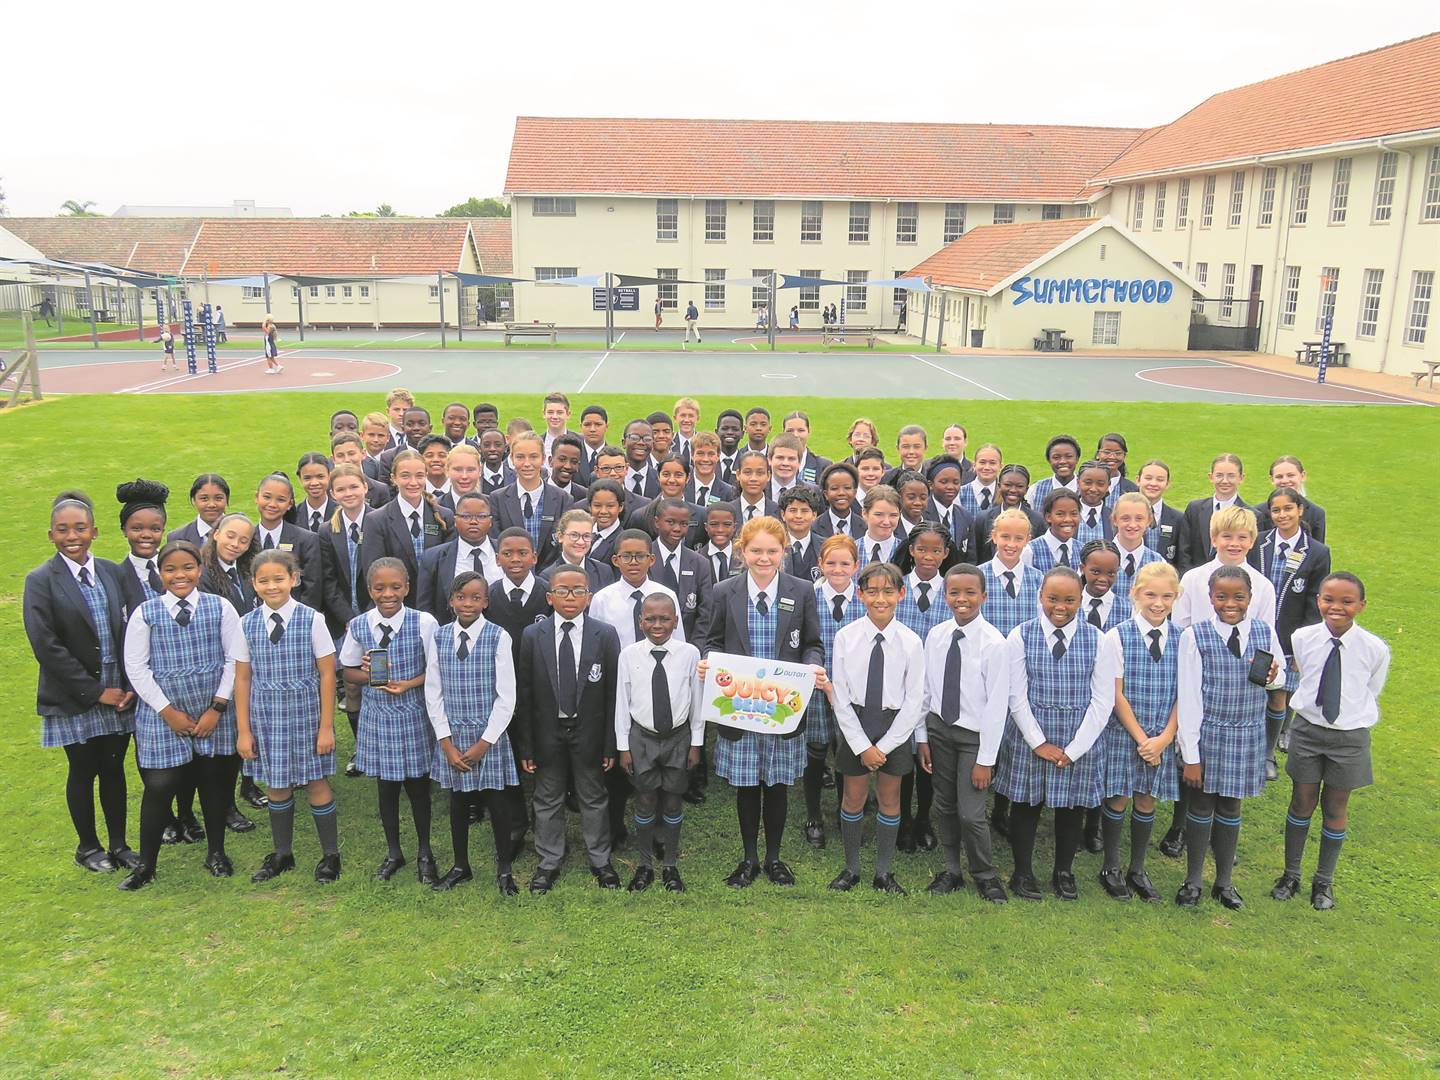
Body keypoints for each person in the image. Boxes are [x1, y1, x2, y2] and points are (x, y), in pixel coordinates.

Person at [699, 515, 826, 888]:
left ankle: (774, 857)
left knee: (777, 786)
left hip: (781, 708)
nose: (764, 558)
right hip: (741, 707)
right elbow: (713, 640)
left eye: (772, 551)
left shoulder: (802, 590)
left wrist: (812, 666)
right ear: (743, 551)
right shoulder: (725, 591)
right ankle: (749, 858)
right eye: (756, 551)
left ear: (783, 551)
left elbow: (812, 644)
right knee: (747, 786)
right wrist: (709, 662)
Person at [119, 540, 246, 890]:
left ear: (199, 570)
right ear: (160, 574)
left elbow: (235, 659)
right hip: (164, 712)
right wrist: (168, 711)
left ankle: (216, 852)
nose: (180, 575)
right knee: (159, 786)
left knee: (213, 782)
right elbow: (136, 667)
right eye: (170, 569)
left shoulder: (220, 607)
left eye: (188, 568)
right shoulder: (146, 613)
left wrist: (217, 707)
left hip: (212, 710)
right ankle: (146, 865)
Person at [23, 494, 138, 874]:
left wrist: (128, 685)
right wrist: (95, 692)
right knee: (84, 769)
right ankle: (88, 847)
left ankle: (119, 844)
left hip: (117, 689)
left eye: (80, 528)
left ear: (94, 532)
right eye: (63, 530)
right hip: (75, 693)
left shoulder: (111, 572)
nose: (72, 536)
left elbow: (130, 630)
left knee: (113, 768)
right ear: (51, 535)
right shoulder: (41, 581)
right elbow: (46, 645)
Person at [996, 566, 1116, 902]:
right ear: (1040, 596)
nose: (1060, 606)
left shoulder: (1099, 640)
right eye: (1052, 598)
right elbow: (1016, 695)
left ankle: (1063, 872)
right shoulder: (1021, 635)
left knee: (1071, 807)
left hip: (1079, 735)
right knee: (1026, 804)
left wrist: (1075, 748)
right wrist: (1038, 742)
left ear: (1081, 599)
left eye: (1069, 600)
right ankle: (1022, 872)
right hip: (1031, 732)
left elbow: (1103, 700)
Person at [1271, 572, 1389, 911]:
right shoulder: (1302, 638)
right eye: (1328, 600)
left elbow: (1371, 689)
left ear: (1361, 606)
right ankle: (1290, 874)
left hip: (1349, 738)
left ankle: (1323, 881)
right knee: (1301, 802)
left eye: (1347, 602)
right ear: (1318, 601)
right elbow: (1302, 676)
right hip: (1308, 731)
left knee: (1336, 807)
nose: (1336, 607)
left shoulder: (1374, 649)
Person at [1174, 566, 1281, 910]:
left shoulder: (1264, 632)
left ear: (1250, 598)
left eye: (1239, 597)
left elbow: (1278, 680)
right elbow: (1189, 697)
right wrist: (1191, 755)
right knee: (1201, 805)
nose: (1230, 603)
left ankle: (1224, 882)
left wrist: (1274, 677)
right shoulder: (1195, 637)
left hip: (1247, 732)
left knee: (1231, 806)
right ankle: (1193, 880)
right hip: (1210, 733)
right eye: (1221, 596)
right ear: (1210, 598)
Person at [512, 566, 623, 893]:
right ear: (550, 597)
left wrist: (610, 744)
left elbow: (613, 694)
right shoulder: (533, 635)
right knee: (547, 797)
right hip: (547, 732)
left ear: (589, 597)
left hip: (590, 732)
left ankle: (600, 859)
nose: (570, 597)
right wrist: (527, 745)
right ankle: (549, 860)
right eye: (562, 590)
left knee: (594, 796)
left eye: (578, 591)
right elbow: (525, 693)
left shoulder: (605, 635)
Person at [234, 550, 341, 884]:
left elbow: (327, 674)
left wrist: (326, 727)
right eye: (263, 580)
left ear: (293, 579)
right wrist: (244, 731)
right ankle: (283, 853)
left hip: (306, 714)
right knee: (277, 785)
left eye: (279, 579)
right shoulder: (246, 624)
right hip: (267, 717)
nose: (272, 586)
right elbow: (243, 678)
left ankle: (330, 855)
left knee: (316, 782)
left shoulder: (312, 619)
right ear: (253, 584)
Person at [825, 561, 926, 894]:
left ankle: (883, 871)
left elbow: (914, 701)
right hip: (856, 723)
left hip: (894, 727)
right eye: (872, 592)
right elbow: (839, 696)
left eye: (888, 592)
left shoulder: (911, 642)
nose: (880, 599)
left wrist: (882, 748)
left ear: (901, 594)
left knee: (890, 798)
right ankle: (851, 868)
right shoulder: (846, 637)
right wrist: (861, 745)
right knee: (853, 797)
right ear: (860, 594)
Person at [339, 557, 440, 885]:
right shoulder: (360, 625)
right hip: (378, 717)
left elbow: (436, 669)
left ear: (407, 588)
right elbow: (348, 671)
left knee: (418, 788)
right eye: (380, 588)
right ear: (370, 590)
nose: (388, 594)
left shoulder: (424, 622)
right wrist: (368, 674)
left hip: (413, 713)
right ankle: (394, 852)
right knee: (387, 789)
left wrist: (409, 684)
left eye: (396, 587)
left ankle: (425, 852)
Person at [916, 563, 1010, 902]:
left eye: (970, 592)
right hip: (940, 731)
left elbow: (997, 706)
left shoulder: (994, 644)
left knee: (971, 813)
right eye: (954, 592)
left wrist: (986, 759)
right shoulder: (937, 635)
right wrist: (922, 737)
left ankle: (985, 874)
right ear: (945, 596)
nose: (962, 599)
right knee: (944, 805)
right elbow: (926, 690)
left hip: (974, 739)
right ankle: (952, 870)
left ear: (984, 596)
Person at [423, 572, 519, 894]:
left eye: (476, 597)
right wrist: (445, 742)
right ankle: (461, 865)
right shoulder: (440, 637)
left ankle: (504, 869)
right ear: (451, 600)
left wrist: (484, 744)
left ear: (486, 602)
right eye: (461, 597)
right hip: (453, 735)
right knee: (459, 801)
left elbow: (506, 697)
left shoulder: (498, 636)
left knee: (497, 801)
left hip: (488, 736)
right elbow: (433, 692)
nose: (468, 603)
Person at [1096, 561, 1182, 903]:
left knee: (1147, 799)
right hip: (1125, 733)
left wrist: (1165, 738)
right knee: (1119, 796)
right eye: (1150, 595)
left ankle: (1137, 868)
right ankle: (1111, 867)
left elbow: (1186, 694)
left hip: (1162, 734)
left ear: (1176, 597)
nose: (1158, 603)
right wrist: (1142, 739)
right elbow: (1116, 694)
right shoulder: (1117, 636)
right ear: (1135, 594)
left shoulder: (1183, 639)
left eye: (1166, 596)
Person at [616, 592, 702, 892]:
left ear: (676, 621)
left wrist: (696, 743)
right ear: (640, 622)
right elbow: (621, 702)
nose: (657, 625)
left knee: (673, 798)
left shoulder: (690, 654)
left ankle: (670, 865)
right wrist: (623, 747)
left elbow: (697, 701)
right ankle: (644, 865)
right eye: (650, 619)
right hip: (642, 737)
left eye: (664, 619)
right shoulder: (629, 655)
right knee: (645, 798)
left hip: (678, 737)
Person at [1247, 486, 1330, 780]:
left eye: (1288, 509)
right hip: (1255, 633)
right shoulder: (1258, 542)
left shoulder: (1317, 552)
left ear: (1300, 510)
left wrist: (1300, 646)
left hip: (1288, 637)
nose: (1282, 515)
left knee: (1278, 696)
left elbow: (1315, 600)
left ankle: (1268, 754)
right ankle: (1250, 747)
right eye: (1276, 510)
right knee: (1253, 693)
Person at [802, 534, 861, 849]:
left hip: (851, 691)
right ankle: (814, 815)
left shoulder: (864, 598)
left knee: (847, 751)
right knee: (815, 751)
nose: (838, 569)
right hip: (814, 687)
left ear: (856, 565)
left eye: (845, 563)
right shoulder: (807, 596)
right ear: (820, 564)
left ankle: (845, 811)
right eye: (831, 563)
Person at [1179, 453, 1251, 572]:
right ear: (1211, 477)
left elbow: (1251, 556)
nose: (1225, 481)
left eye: (1231, 476)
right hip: (1196, 578)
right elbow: (1184, 551)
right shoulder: (1194, 509)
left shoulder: (1251, 515)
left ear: (1241, 478)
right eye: (1219, 475)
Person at [1024, 489, 1082, 572]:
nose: (1068, 519)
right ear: (1048, 517)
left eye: (1074, 514)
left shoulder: (1082, 551)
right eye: (1060, 514)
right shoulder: (1030, 551)